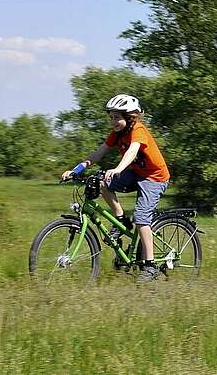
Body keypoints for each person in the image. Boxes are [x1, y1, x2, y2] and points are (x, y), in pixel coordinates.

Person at [61, 94, 172, 282]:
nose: (113, 121)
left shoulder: (138, 130)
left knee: (142, 218)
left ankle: (150, 265)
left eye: (117, 117)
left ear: (130, 117)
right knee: (103, 181)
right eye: (111, 117)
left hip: (154, 177)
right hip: (136, 174)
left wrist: (118, 169)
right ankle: (121, 219)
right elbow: (99, 153)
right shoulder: (117, 134)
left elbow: (132, 151)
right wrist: (77, 169)